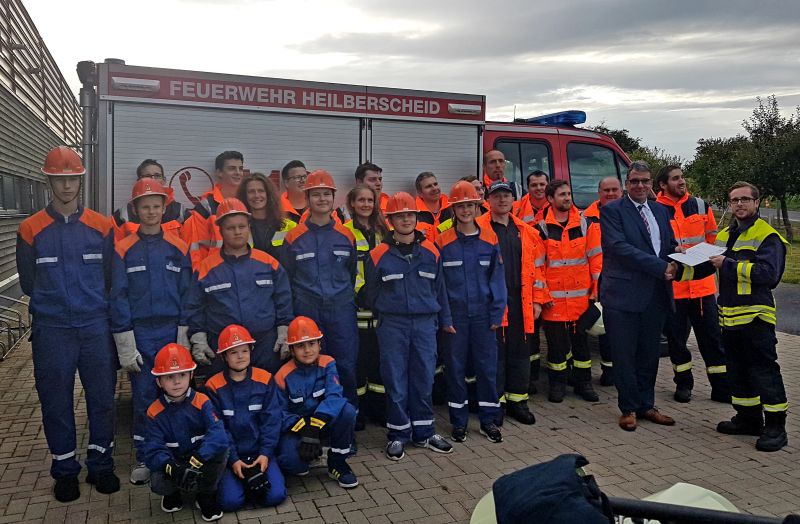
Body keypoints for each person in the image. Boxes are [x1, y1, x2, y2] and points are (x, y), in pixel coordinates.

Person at [16, 146, 119, 502]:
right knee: (55, 401)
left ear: (80, 180)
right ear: (49, 182)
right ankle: (64, 471)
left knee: (102, 398)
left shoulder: (102, 226)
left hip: (94, 326)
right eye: (59, 180)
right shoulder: (30, 229)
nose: (66, 187)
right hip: (53, 329)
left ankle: (101, 465)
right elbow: (28, 282)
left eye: (72, 179)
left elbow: (110, 277)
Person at [110, 177, 192, 485]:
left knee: (178, 395)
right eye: (145, 206)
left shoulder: (178, 247)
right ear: (135, 209)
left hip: (171, 331)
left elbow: (188, 293)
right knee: (145, 398)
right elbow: (117, 296)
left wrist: (184, 332)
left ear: (164, 208)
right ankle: (146, 457)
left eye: (156, 206)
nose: (151, 212)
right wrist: (125, 342)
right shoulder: (123, 249)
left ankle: (179, 454)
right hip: (141, 334)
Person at [365, 192, 455, 460]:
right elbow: (370, 292)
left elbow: (441, 290)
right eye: (399, 215)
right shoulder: (378, 254)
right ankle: (397, 434)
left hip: (426, 324)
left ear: (416, 218)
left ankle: (425, 432)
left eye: (410, 214)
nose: (405, 219)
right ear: (390, 219)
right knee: (395, 380)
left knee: (424, 377)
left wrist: (446, 321)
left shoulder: (431, 252)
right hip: (392, 324)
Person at [709, 181, 789, 452]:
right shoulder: (723, 236)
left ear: (757, 203)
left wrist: (728, 264)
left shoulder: (767, 236)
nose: (740, 204)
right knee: (738, 372)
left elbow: (769, 275)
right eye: (735, 200)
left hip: (756, 317)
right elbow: (711, 270)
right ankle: (748, 419)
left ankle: (776, 427)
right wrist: (679, 267)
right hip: (729, 318)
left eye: (745, 199)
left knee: (764, 371)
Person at [599, 160, 679, 431]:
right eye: (635, 181)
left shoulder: (659, 210)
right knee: (624, 354)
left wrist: (679, 256)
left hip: (655, 294)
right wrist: (660, 267)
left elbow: (664, 245)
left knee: (649, 353)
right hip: (622, 295)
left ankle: (647, 405)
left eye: (645, 181)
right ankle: (628, 408)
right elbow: (619, 248)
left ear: (651, 184)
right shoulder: (612, 211)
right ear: (626, 183)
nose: (640, 186)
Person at [185, 198, 293, 375]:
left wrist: (284, 330)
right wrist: (198, 338)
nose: (237, 232)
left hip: (265, 347)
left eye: (241, 227)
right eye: (230, 228)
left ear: (249, 227)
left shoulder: (268, 263)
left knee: (267, 393)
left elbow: (283, 299)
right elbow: (195, 306)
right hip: (222, 349)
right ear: (220, 230)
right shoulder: (206, 268)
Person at [436, 181, 506, 443]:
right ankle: (459, 421)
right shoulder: (443, 241)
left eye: (470, 205)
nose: (465, 210)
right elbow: (439, 285)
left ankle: (489, 420)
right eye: (460, 206)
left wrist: (497, 313)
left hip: (484, 317)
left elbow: (497, 279)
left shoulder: (490, 239)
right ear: (453, 209)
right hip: (455, 318)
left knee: (487, 369)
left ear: (477, 207)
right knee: (454, 370)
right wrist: (445, 317)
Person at [283, 170, 360, 405]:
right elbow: (287, 277)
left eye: (326, 194)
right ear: (307, 199)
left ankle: (348, 418)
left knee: (345, 363)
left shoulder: (347, 235)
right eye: (316, 195)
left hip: (341, 310)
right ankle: (315, 419)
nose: (322, 199)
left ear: (334, 197)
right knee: (310, 365)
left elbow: (351, 272)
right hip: (308, 310)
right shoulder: (293, 237)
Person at [656, 165, 729, 403]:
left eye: (683, 177)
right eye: (676, 179)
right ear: (663, 185)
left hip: (703, 288)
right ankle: (683, 384)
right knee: (677, 341)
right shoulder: (655, 210)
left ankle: (721, 387)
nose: (682, 182)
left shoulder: (700, 205)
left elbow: (713, 240)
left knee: (712, 339)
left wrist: (707, 255)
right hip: (674, 289)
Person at [477, 181, 541, 425]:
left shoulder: (526, 231)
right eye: (497, 196)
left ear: (513, 200)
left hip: (521, 301)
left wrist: (537, 302)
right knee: (495, 355)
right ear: (488, 201)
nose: (502, 200)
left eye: (506, 195)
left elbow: (538, 270)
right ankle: (496, 404)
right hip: (492, 302)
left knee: (520, 353)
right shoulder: (479, 228)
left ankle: (519, 402)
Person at [205, 325, 287, 511]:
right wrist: (233, 460)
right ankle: (241, 485)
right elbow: (218, 429)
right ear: (224, 356)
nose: (240, 356)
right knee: (230, 503)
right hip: (230, 457)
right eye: (233, 352)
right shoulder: (213, 386)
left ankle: (252, 482)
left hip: (260, 453)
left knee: (275, 496)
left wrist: (265, 454)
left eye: (244, 350)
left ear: (251, 351)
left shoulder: (265, 379)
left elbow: (272, 422)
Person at [144, 343, 228, 520]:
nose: (176, 382)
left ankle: (205, 495)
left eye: (182, 375)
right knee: (158, 480)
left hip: (199, 458)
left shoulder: (202, 401)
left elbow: (218, 434)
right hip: (174, 462)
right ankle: (172, 494)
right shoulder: (154, 411)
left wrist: (199, 458)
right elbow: (152, 449)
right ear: (159, 381)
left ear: (191, 375)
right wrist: (171, 468)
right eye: (169, 377)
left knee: (221, 451)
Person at [536, 180, 602, 403]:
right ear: (551, 199)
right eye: (562, 194)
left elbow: (596, 260)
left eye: (568, 194)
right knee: (556, 349)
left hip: (580, 301)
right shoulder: (541, 229)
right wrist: (543, 296)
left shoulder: (586, 225)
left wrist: (596, 291)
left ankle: (584, 384)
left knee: (582, 348)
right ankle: (558, 385)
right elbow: (537, 268)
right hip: (553, 303)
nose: (567, 198)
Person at [274, 316, 359, 488]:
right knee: (293, 464)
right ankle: (317, 455)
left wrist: (315, 425)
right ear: (291, 350)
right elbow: (279, 413)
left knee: (347, 411)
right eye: (300, 346)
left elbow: (335, 396)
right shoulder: (282, 375)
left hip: (322, 422)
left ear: (319, 344)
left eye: (312, 344)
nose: (307, 350)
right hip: (298, 428)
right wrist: (304, 428)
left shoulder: (328, 363)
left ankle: (337, 463)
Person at [343, 185, 390, 428]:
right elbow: (346, 269)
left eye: (370, 200)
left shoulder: (384, 230)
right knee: (360, 360)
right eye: (360, 200)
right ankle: (359, 413)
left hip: (382, 304)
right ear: (351, 203)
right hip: (357, 304)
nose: (365, 204)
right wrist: (360, 291)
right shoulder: (345, 231)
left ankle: (379, 409)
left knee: (380, 359)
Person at [581, 176, 622, 386]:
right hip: (594, 284)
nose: (611, 194)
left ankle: (610, 371)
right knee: (593, 328)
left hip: (619, 282)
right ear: (599, 193)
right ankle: (584, 374)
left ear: (621, 191)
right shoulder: (586, 219)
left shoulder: (628, 214)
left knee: (613, 332)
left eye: (615, 190)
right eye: (606, 190)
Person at [182, 151, 245, 268]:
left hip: (248, 271)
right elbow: (196, 248)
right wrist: (201, 276)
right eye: (232, 168)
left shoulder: (248, 202)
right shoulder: (206, 207)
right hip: (217, 272)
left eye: (240, 168)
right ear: (219, 173)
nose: (238, 173)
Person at [112, 159, 187, 241]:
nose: (153, 179)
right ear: (139, 181)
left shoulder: (180, 212)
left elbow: (190, 249)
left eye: (157, 175)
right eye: (147, 176)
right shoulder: (124, 214)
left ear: (164, 180)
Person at [237, 172, 297, 267]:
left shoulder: (290, 227)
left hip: (281, 280)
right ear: (245, 196)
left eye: (261, 191)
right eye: (251, 192)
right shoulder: (238, 228)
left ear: (268, 194)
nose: (256, 195)